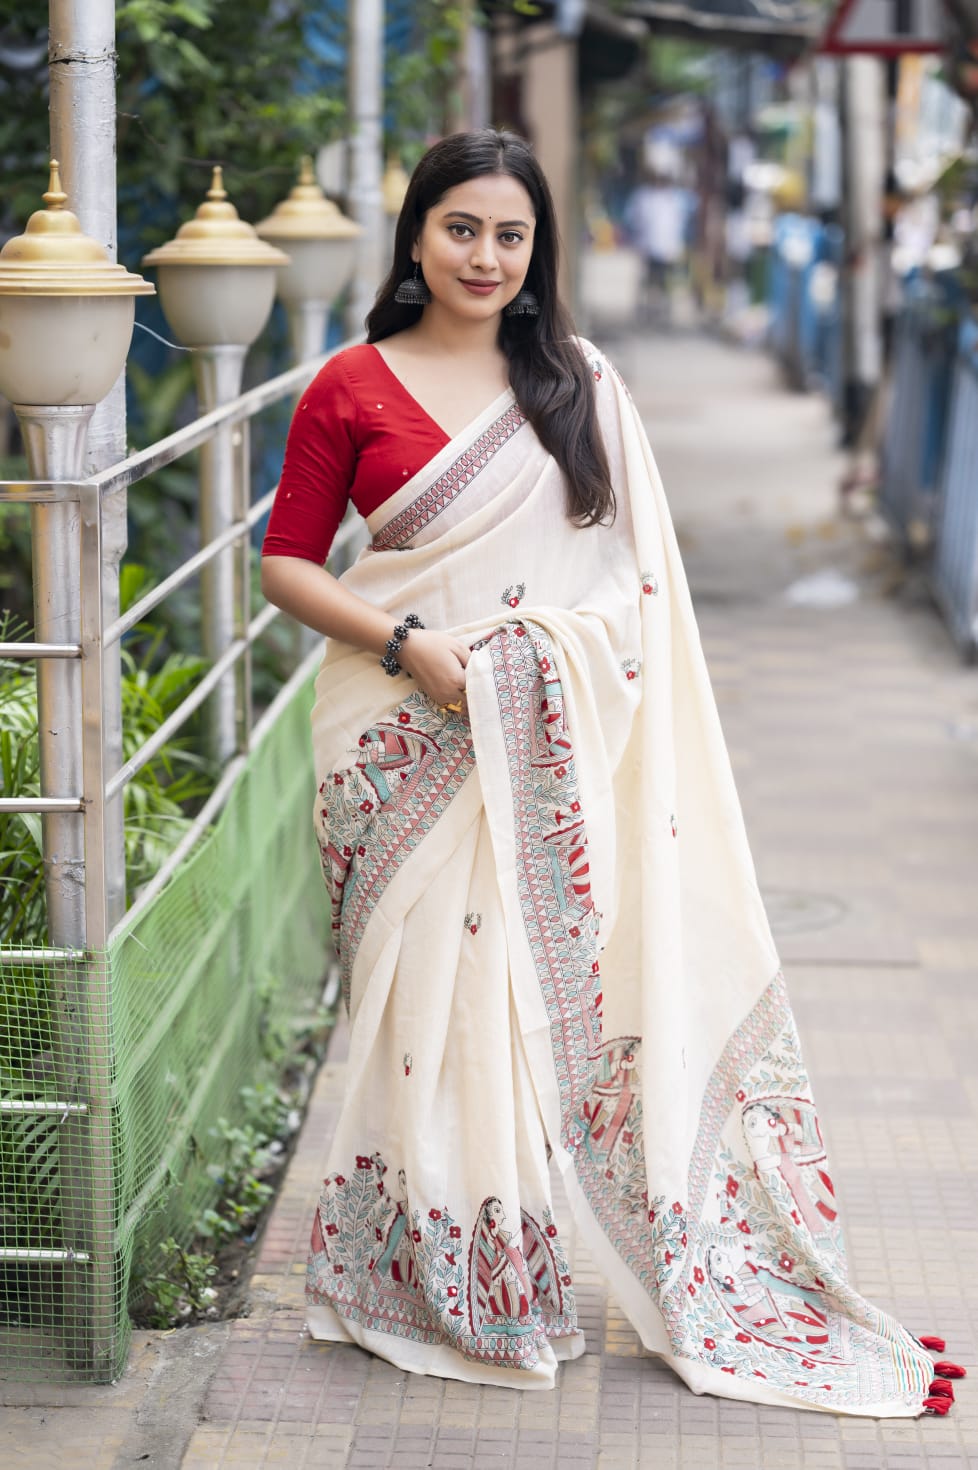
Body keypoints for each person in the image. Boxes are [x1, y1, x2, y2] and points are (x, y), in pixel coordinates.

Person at [260, 129, 959, 1413]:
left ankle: (506, 1268)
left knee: (504, 1008)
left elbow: (634, 599)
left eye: (510, 234)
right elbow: (289, 561)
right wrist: (414, 646)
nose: (483, 254)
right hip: (394, 733)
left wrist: (530, 661)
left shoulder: (579, 386)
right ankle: (406, 1270)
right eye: (460, 227)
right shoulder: (346, 386)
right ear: (415, 236)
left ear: (539, 253)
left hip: (531, 738)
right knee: (419, 1007)